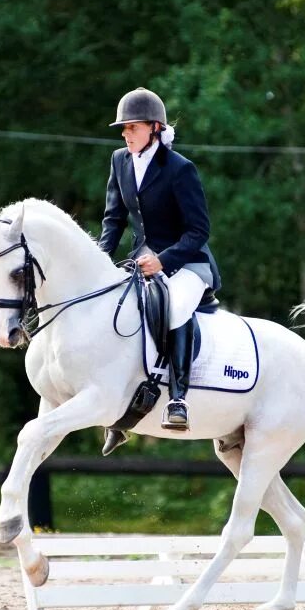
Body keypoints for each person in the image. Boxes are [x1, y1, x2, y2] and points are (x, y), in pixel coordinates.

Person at [99, 87, 221, 454]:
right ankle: (117, 408)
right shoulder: (120, 160)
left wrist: (165, 260)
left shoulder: (180, 168)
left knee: (177, 305)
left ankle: (178, 399)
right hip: (140, 258)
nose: (125, 134)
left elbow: (199, 230)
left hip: (187, 262)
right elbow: (113, 219)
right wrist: (102, 263)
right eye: (123, 129)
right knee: (110, 308)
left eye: (132, 127)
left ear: (154, 127)